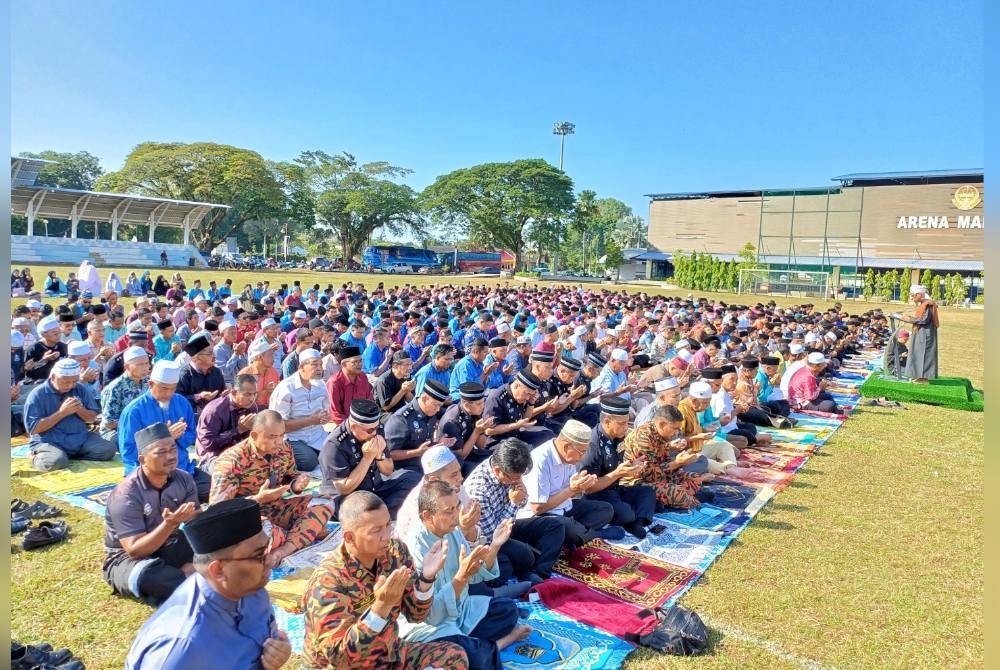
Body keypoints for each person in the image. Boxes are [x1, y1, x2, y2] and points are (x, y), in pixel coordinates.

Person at [301, 491, 468, 670]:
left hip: (387, 654)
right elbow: (340, 658)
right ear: (349, 537)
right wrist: (381, 607)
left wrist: (426, 579)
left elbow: (416, 615)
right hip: (346, 665)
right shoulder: (328, 581)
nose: (386, 536)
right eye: (376, 530)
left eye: (388, 525)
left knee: (454, 656)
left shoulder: (395, 553)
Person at [125, 498, 292, 670]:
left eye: (266, 549)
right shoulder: (181, 649)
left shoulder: (250, 588)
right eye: (259, 555)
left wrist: (278, 654)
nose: (269, 560)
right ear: (219, 570)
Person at [401, 480, 531, 670]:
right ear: (427, 516)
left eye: (457, 507)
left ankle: (470, 642)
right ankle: (499, 643)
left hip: (461, 610)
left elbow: (474, 574)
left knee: (508, 610)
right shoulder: (414, 549)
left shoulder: (452, 532)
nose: (456, 516)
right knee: (470, 657)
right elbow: (432, 615)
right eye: (448, 511)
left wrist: (495, 545)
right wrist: (461, 577)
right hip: (431, 625)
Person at [210, 410, 334, 567]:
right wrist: (257, 500)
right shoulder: (231, 461)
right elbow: (216, 511)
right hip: (248, 519)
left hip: (276, 509)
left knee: (324, 503)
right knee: (263, 533)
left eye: (282, 435)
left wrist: (296, 484)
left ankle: (282, 550)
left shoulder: (284, 448)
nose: (279, 442)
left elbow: (290, 476)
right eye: (273, 437)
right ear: (254, 436)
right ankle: (301, 533)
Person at [103, 422, 199, 605]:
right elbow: (134, 549)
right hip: (126, 559)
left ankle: (187, 575)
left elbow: (196, 519)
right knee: (154, 577)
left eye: (173, 449)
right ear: (142, 459)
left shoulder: (184, 479)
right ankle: (188, 575)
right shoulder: (125, 494)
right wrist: (169, 524)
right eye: (161, 452)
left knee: (220, 549)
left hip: (169, 544)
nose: (171, 456)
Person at [463, 438, 564, 585]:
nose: (519, 480)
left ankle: (538, 572)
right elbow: (494, 535)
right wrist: (513, 503)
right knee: (524, 556)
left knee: (555, 526)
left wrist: (518, 499)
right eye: (515, 477)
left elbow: (522, 500)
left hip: (507, 524)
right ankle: (528, 567)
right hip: (490, 539)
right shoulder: (478, 490)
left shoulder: (509, 472)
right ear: (498, 471)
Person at [118, 360, 211, 502]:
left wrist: (179, 437)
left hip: (182, 469)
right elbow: (128, 452)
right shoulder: (134, 411)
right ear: (150, 384)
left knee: (214, 489)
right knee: (160, 499)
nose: (169, 393)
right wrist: (165, 438)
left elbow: (192, 435)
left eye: (173, 389)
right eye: (164, 388)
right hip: (151, 473)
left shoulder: (181, 403)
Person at [517, 419, 616, 547]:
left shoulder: (568, 457)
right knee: (568, 527)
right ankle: (594, 535)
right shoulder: (540, 460)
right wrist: (572, 489)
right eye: (581, 452)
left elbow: (571, 491)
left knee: (605, 509)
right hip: (541, 516)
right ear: (566, 446)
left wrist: (581, 484)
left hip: (564, 507)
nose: (582, 457)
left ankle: (575, 535)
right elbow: (537, 508)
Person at [320, 399, 420, 518]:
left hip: (375, 489)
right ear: (354, 426)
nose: (374, 433)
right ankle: (380, 512)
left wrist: (379, 456)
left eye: (377, 428)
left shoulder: (375, 431)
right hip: (349, 497)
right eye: (370, 430)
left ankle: (380, 511)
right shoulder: (335, 445)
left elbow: (388, 471)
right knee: (361, 509)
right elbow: (344, 488)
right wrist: (367, 459)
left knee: (413, 479)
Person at [578, 396, 656, 539]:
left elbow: (616, 466)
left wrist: (631, 466)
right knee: (625, 513)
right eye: (622, 423)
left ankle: (636, 523)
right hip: (597, 495)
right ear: (607, 422)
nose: (626, 427)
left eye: (627, 422)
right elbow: (588, 488)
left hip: (615, 488)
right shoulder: (593, 444)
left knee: (647, 492)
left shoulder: (618, 436)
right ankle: (631, 518)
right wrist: (618, 473)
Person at [22, 358, 117, 472]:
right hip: (50, 441)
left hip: (78, 438)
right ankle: (34, 457)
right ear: (53, 378)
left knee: (108, 450)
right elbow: (33, 429)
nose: (70, 386)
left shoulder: (79, 388)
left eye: (74, 381)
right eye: (66, 382)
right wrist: (62, 413)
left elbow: (92, 418)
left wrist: (80, 410)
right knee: (55, 463)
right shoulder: (37, 394)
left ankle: (67, 456)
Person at [619, 404, 709, 510]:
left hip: (658, 477)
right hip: (637, 483)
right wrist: (678, 463)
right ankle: (684, 499)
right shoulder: (643, 438)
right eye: (675, 429)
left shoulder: (658, 432)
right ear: (662, 424)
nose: (676, 433)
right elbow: (648, 475)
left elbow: (660, 456)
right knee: (676, 492)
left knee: (695, 478)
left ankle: (674, 500)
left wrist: (671, 448)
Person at [269, 348, 331, 472]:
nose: (319, 369)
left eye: (320, 365)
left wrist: (325, 417)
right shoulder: (286, 388)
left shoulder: (321, 385)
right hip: (293, 437)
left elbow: (326, 412)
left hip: (317, 434)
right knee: (309, 462)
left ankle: (317, 452)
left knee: (337, 452)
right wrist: (310, 421)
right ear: (302, 367)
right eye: (314, 364)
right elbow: (278, 426)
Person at [195, 373, 261, 471]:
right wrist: (238, 430)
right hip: (214, 457)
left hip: (240, 453)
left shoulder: (252, 407)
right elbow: (208, 445)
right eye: (247, 394)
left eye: (254, 394)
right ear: (234, 392)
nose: (252, 399)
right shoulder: (214, 411)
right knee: (232, 470)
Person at [385, 379, 451, 473]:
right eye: (436, 405)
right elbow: (389, 454)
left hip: (425, 461)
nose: (438, 409)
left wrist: (438, 443)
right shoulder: (401, 419)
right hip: (404, 468)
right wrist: (417, 452)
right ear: (424, 399)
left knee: (454, 462)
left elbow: (425, 444)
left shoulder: (430, 411)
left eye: (440, 406)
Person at [481, 370, 556, 448]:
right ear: (517, 386)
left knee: (547, 435)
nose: (528, 397)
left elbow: (525, 418)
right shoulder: (497, 397)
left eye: (531, 395)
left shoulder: (523, 396)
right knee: (523, 451)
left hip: (516, 434)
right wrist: (516, 425)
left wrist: (531, 403)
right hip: (498, 441)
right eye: (527, 394)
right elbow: (489, 430)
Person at [436, 382, 495, 477]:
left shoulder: (473, 412)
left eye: (483, 402)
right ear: (467, 405)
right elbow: (460, 456)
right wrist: (476, 432)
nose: (483, 406)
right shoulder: (452, 422)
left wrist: (482, 430)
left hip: (469, 452)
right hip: (450, 462)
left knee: (497, 457)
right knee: (485, 472)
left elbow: (481, 445)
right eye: (479, 404)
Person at [99, 346, 150, 444]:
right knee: (136, 443)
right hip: (116, 431)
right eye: (140, 365)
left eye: (147, 363)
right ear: (127, 366)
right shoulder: (115, 388)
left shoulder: (148, 382)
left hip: (142, 428)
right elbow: (108, 423)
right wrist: (135, 421)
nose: (145, 368)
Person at [896, 284, 939, 383]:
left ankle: (923, 378)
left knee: (925, 355)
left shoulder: (928, 304)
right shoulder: (924, 304)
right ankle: (919, 376)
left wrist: (908, 319)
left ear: (919, 294)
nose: (911, 297)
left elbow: (924, 320)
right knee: (918, 354)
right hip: (921, 333)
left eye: (913, 295)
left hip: (925, 335)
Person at [177, 332, 226, 416]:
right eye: (210, 353)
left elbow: (222, 392)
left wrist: (225, 395)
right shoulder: (184, 375)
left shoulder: (216, 372)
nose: (214, 356)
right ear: (197, 356)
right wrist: (198, 397)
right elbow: (177, 401)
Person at [327, 345, 374, 424]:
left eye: (360, 361)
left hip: (364, 422)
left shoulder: (363, 377)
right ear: (344, 364)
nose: (359, 364)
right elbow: (335, 414)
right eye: (355, 362)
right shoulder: (334, 382)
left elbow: (369, 402)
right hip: (344, 425)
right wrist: (353, 426)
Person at [239, 339, 281, 406]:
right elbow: (241, 401)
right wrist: (265, 392)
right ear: (260, 357)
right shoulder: (245, 374)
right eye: (271, 355)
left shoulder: (273, 371)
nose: (273, 359)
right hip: (251, 410)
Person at [374, 350, 416, 414]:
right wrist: (402, 390)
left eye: (411, 364)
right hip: (384, 414)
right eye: (407, 365)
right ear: (395, 365)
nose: (410, 368)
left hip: (400, 410)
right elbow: (386, 407)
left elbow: (410, 400)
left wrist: (408, 390)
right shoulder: (384, 381)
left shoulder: (405, 375)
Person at [214, 321, 249, 387]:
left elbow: (244, 367)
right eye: (231, 333)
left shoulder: (236, 346)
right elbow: (224, 373)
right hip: (226, 386)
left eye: (235, 332)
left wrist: (241, 354)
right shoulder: (218, 349)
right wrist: (236, 355)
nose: (234, 335)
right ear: (222, 334)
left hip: (239, 383)